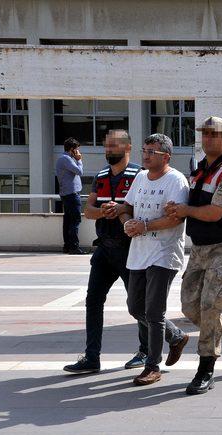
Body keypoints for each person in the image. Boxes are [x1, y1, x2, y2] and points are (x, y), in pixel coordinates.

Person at [63, 130, 189, 375]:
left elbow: (173, 217)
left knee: (150, 308)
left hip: (138, 248)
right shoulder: (106, 176)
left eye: (114, 145)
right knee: (114, 303)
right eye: (106, 145)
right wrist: (111, 214)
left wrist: (137, 224)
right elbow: (93, 209)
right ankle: (92, 356)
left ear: (126, 147)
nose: (108, 149)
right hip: (110, 247)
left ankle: (148, 358)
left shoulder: (147, 176)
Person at [165, 116, 222, 395]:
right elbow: (191, 203)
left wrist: (184, 211)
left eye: (215, 135)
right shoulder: (199, 169)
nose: (208, 139)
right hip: (201, 247)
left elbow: (215, 213)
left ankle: (206, 369)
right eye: (205, 134)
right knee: (190, 306)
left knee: (210, 306)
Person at [121, 133, 190, 386]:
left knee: (154, 311)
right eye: (145, 150)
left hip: (164, 253)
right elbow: (127, 208)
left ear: (166, 157)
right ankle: (176, 336)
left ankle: (152, 366)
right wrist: (127, 222)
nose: (146, 155)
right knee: (135, 307)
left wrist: (145, 225)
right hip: (138, 252)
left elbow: (176, 218)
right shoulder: (140, 177)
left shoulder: (176, 181)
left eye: (152, 152)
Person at [56, 137, 86, 254]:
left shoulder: (65, 159)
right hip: (71, 194)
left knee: (68, 220)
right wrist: (79, 160)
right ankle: (73, 247)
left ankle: (68, 246)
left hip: (67, 194)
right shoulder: (66, 159)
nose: (78, 152)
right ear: (72, 149)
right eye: (77, 149)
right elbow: (80, 171)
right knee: (75, 220)